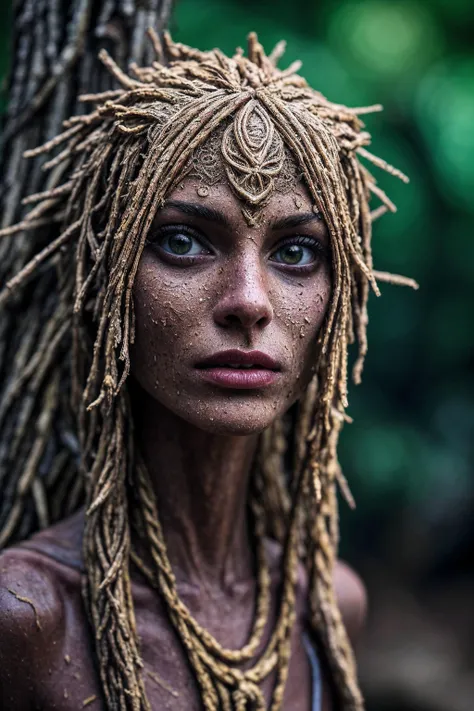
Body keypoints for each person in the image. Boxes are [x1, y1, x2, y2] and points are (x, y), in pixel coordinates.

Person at [0, 31, 417, 711]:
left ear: (338, 303)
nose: (249, 300)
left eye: (296, 252)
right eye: (183, 240)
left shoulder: (326, 608)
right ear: (109, 284)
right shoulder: (31, 618)